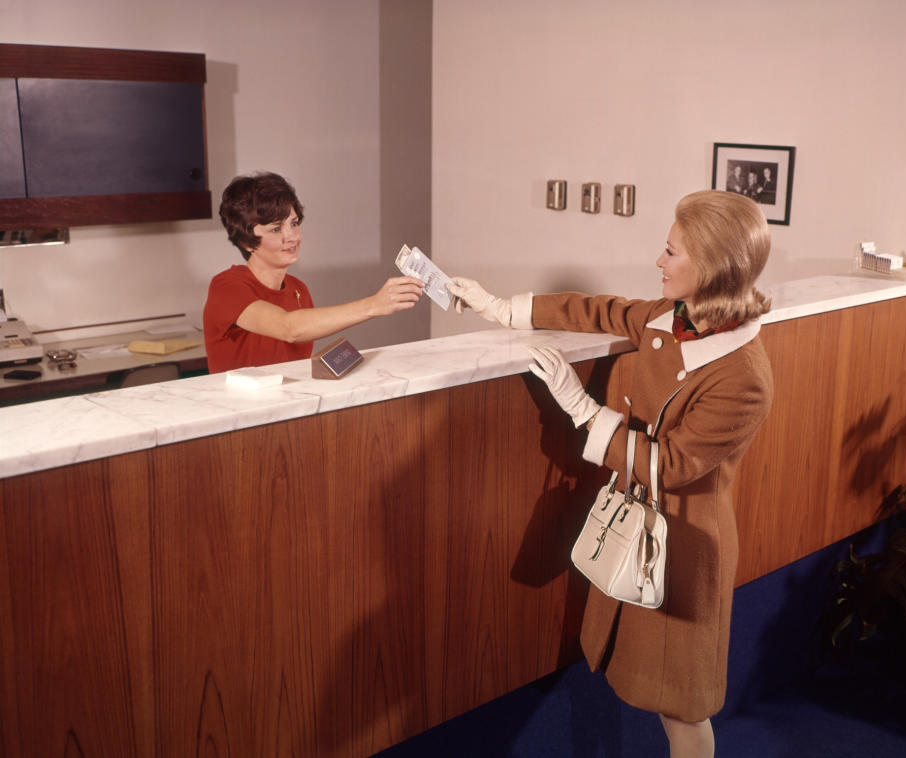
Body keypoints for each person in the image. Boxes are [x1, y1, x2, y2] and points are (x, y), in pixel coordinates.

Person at [446, 190, 774, 758]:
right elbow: (596, 310)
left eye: (671, 252)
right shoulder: (671, 318)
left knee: (683, 707)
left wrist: (582, 409)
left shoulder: (744, 376)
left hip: (686, 547)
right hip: (639, 524)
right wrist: (497, 307)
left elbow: (669, 466)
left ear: (710, 268)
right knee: (648, 686)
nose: (659, 262)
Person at [203, 172, 424, 373]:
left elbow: (293, 362)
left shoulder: (299, 290)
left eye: (294, 223)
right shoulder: (226, 287)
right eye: (276, 228)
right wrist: (374, 305)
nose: (292, 236)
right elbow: (288, 327)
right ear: (246, 242)